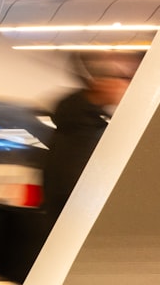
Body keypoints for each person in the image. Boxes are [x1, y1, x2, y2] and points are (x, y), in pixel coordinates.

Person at [41, 54, 136, 225]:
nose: (125, 87)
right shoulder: (84, 130)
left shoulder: (79, 121)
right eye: (120, 80)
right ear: (102, 84)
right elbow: (74, 184)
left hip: (67, 220)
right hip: (79, 223)